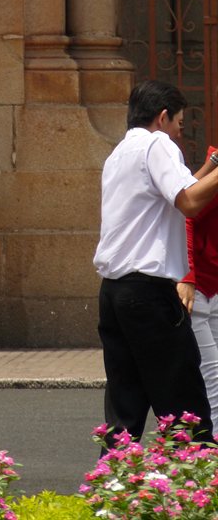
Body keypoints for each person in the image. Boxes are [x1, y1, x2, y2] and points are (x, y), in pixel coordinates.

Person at [93, 79, 218, 447]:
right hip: (148, 292)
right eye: (179, 123)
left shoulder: (120, 153)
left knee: (125, 404)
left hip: (115, 291)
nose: (180, 132)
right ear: (163, 117)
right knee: (185, 404)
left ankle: (112, 487)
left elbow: (177, 193)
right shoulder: (158, 143)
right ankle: (196, 487)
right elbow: (191, 203)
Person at [177, 145, 218, 433]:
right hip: (200, 289)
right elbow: (186, 218)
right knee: (212, 374)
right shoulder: (213, 170)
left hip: (214, 287)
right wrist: (188, 276)